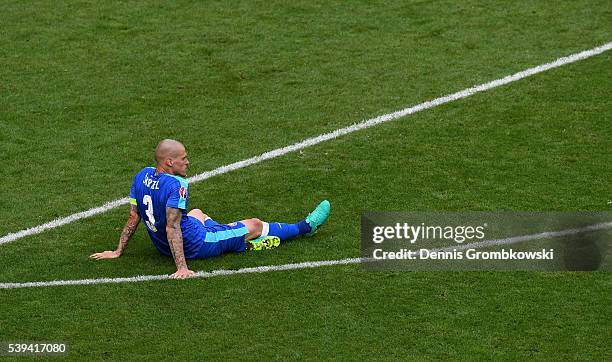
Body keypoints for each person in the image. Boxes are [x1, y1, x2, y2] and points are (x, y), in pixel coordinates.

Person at [90, 139, 331, 279]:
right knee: (255, 224)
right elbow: (173, 228)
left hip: (166, 244)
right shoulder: (178, 185)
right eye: (183, 158)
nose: (187, 162)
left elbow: (134, 217)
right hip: (196, 243)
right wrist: (182, 268)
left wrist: (118, 250)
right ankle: (305, 227)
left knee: (197, 213)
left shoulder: (141, 175)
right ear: (169, 162)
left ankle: (239, 240)